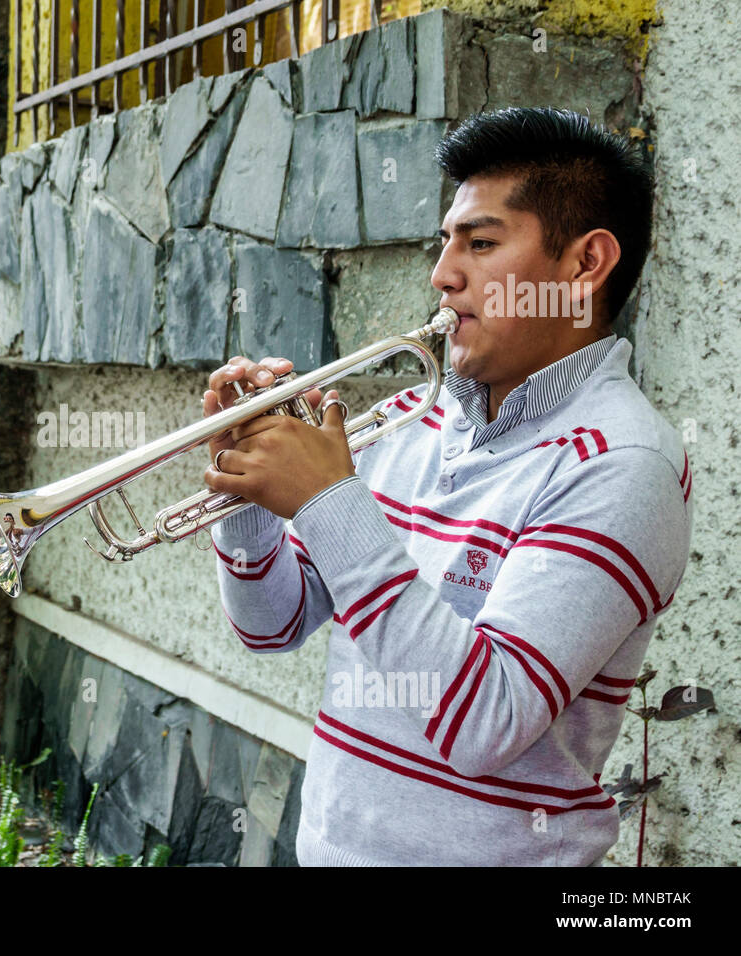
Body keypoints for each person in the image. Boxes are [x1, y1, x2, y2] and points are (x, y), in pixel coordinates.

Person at [201, 107, 693, 866]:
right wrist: (246, 500)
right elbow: (273, 625)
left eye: (482, 242)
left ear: (584, 265)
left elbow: (485, 721)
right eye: (446, 242)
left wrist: (330, 503)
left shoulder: (621, 463)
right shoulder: (408, 417)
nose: (443, 274)